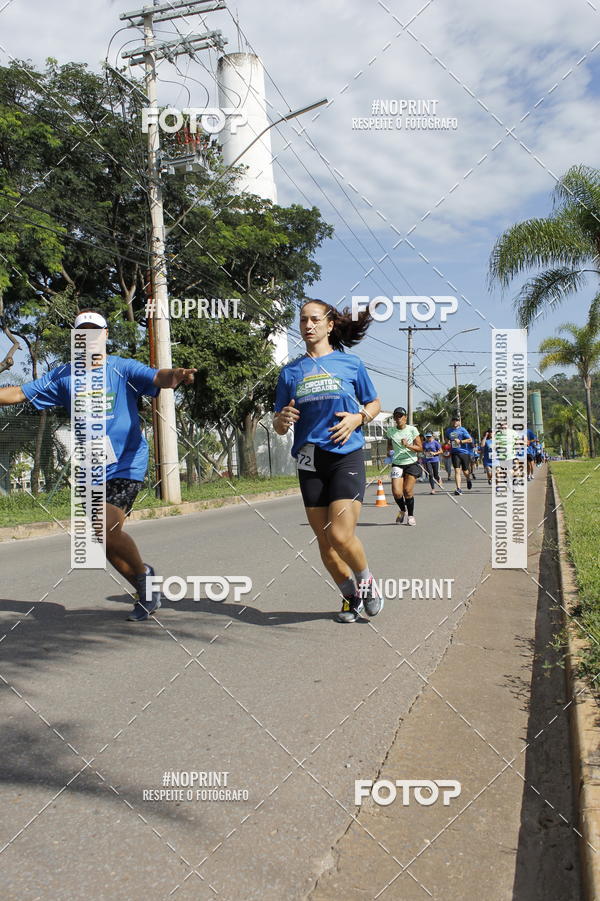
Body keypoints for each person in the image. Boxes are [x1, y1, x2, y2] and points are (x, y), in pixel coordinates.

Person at [0, 309, 197, 622]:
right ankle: (145, 581)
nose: (89, 337)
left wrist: (176, 376)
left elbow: (158, 377)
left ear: (105, 336)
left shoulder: (120, 368)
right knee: (103, 542)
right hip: (91, 468)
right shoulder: (63, 375)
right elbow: (20, 392)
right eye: (83, 332)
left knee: (105, 527)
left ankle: (145, 579)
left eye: (95, 331)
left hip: (127, 463)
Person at [273, 298, 382, 624]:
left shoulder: (350, 365)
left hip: (345, 454)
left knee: (340, 535)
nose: (308, 325)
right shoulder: (291, 372)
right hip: (309, 459)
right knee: (324, 542)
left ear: (330, 325)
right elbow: (278, 422)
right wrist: (283, 419)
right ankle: (350, 595)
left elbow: (374, 402)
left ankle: (366, 582)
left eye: (315, 319)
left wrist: (357, 418)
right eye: (303, 320)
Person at [386, 407, 422, 525]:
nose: (398, 418)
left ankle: (411, 516)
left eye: (401, 416)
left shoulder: (412, 430)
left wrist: (408, 446)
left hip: (411, 463)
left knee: (407, 490)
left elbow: (420, 448)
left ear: (405, 417)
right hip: (397, 463)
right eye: (396, 416)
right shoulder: (391, 431)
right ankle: (402, 510)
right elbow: (389, 445)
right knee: (397, 492)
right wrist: (389, 452)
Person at [444, 414, 474, 495]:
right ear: (451, 421)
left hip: (464, 452)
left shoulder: (462, 430)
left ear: (459, 422)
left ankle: (468, 479)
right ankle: (458, 489)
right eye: (453, 420)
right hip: (454, 452)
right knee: (457, 471)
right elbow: (446, 437)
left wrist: (460, 441)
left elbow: (470, 440)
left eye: (456, 420)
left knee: (465, 471)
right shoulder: (448, 430)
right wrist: (447, 441)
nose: (455, 422)